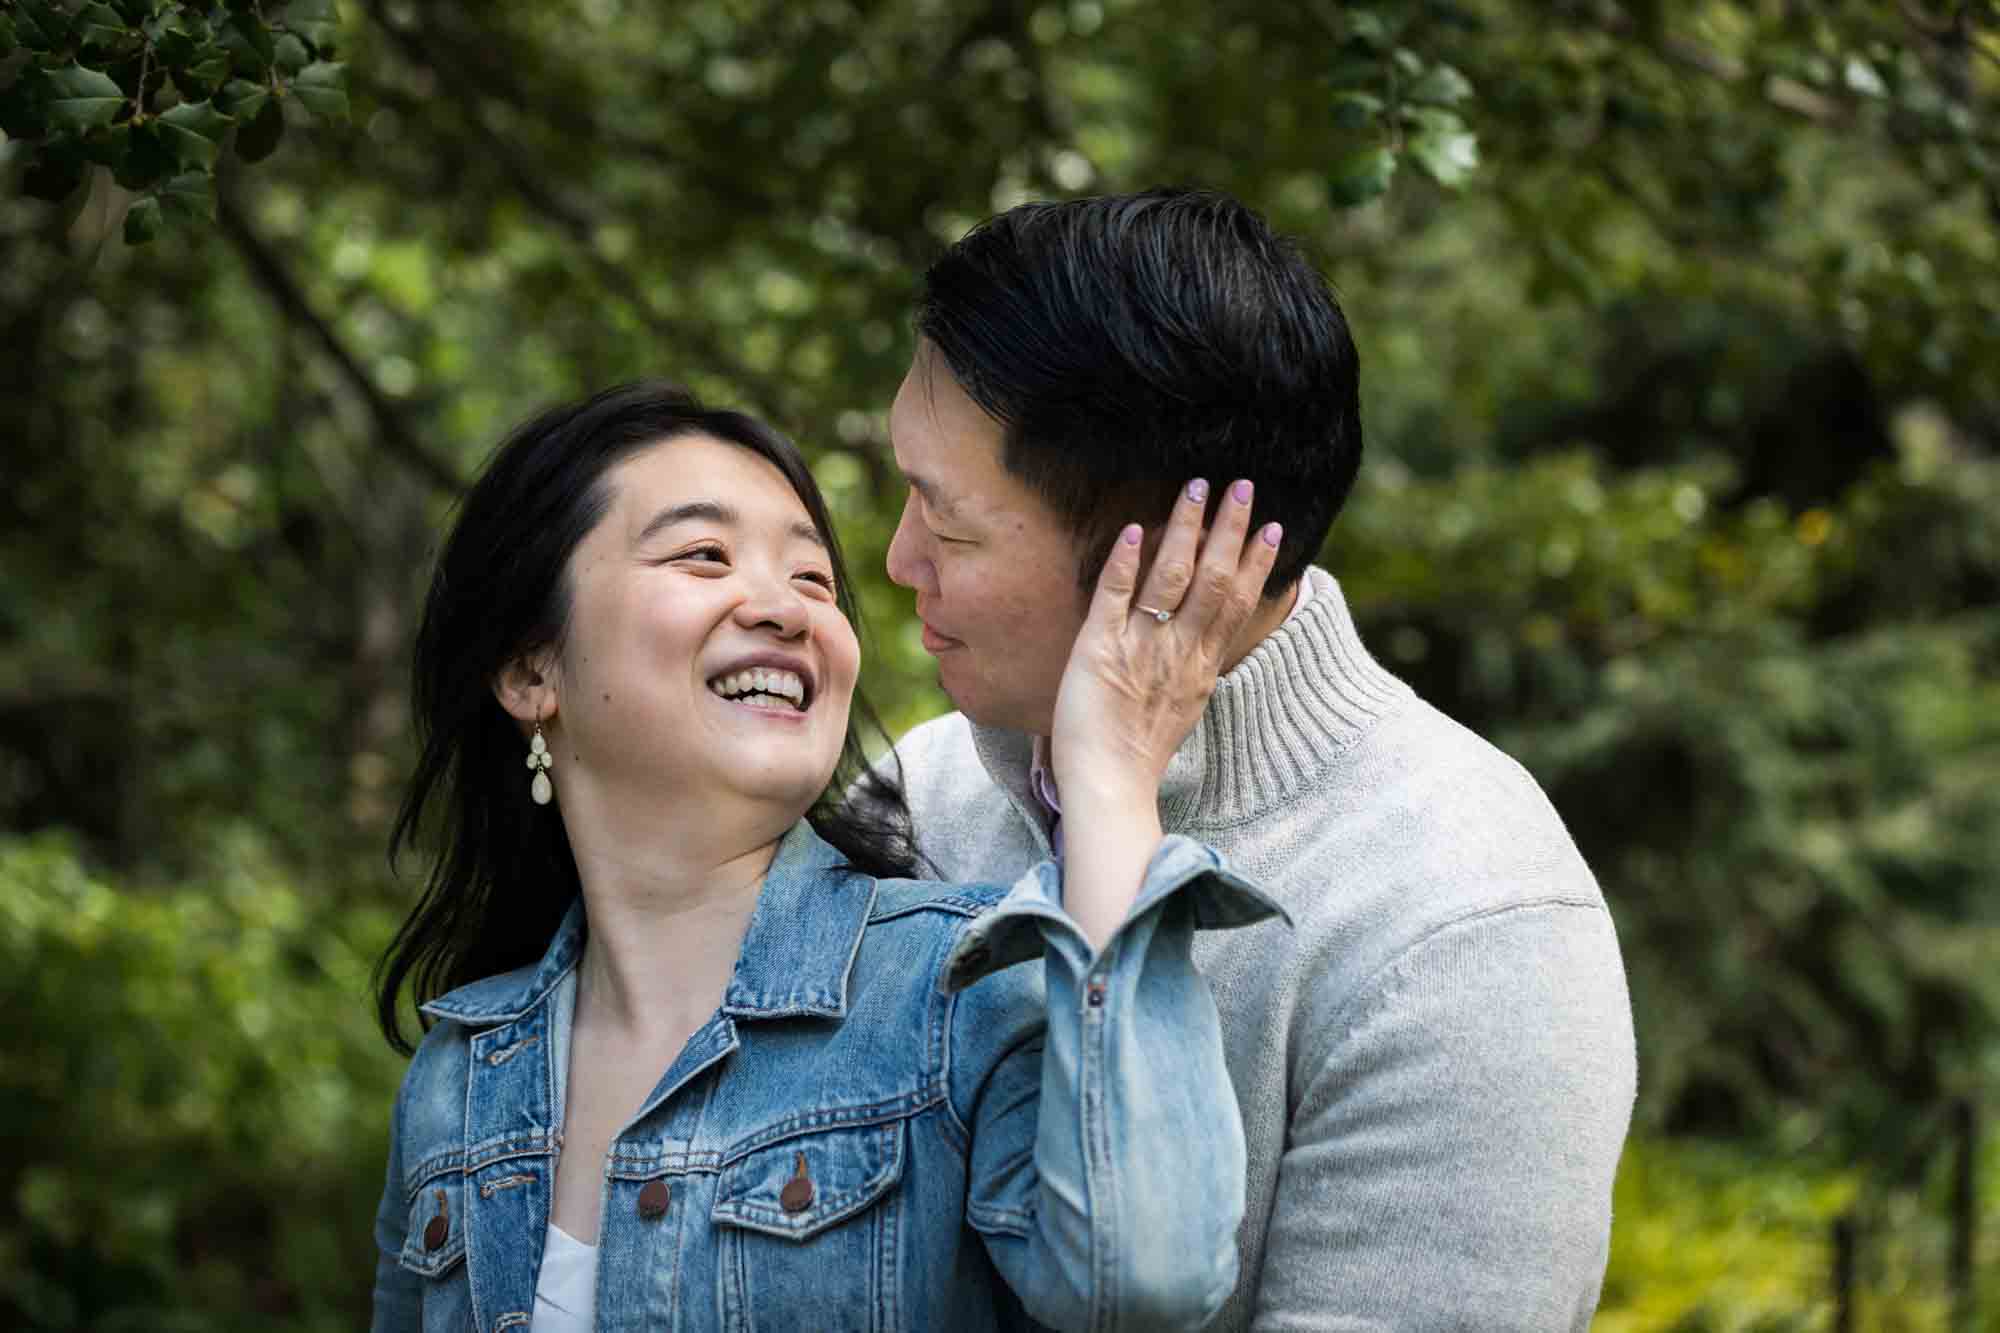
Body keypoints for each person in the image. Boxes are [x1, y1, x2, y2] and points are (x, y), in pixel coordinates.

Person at [367, 381, 1287, 1332]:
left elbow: (1143, 1277)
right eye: (703, 555)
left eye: (812, 579)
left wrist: (1113, 771)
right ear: (531, 670)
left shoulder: (961, 985)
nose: (786, 608)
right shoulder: (457, 1075)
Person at [884, 188, 1638, 1330]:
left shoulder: (1466, 918)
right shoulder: (913, 800)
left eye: (949, 530)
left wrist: (1110, 800)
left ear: (1171, 563)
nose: (898, 562)